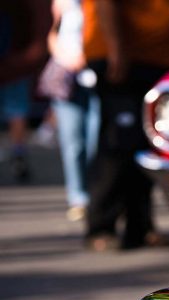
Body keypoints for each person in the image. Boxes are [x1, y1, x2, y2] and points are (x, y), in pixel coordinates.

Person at [82, 0, 169, 250]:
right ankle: (100, 227)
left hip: (154, 60)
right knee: (117, 142)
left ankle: (140, 228)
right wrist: (116, 49)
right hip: (122, 59)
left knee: (146, 145)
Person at [47, 0, 100, 221]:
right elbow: (53, 34)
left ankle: (97, 193)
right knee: (73, 143)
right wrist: (65, 58)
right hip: (67, 79)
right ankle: (78, 197)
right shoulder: (63, 3)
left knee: (95, 140)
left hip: (97, 76)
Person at [0, 1, 52, 182]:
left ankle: (18, 153)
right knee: (17, 111)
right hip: (17, 63)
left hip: (16, 63)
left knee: (17, 111)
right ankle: (18, 152)